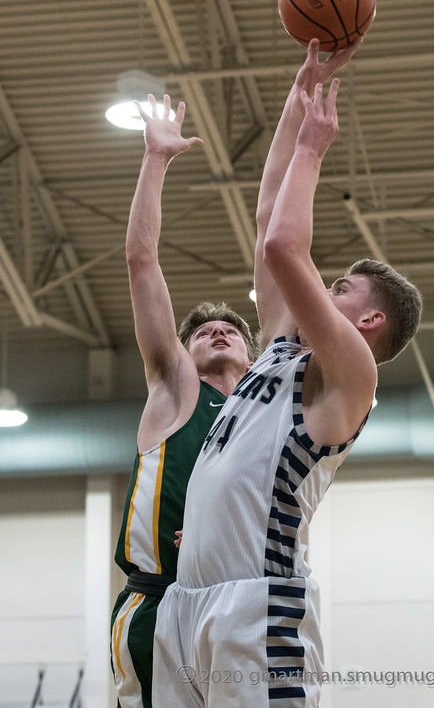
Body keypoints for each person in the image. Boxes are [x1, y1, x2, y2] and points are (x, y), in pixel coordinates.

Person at [152, 41, 423, 708]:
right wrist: (301, 91)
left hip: (259, 605)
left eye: (342, 288)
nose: (324, 290)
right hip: (186, 604)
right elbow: (266, 213)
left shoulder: (350, 377)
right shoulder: (278, 346)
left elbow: (283, 244)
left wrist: (315, 147)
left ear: (370, 323)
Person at [110, 94, 255, 708]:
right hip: (160, 604)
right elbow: (142, 262)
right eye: (201, 333)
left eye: (231, 330)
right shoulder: (178, 389)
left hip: (239, 604)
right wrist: (156, 160)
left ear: (255, 358)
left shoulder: (265, 418)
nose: (217, 332)